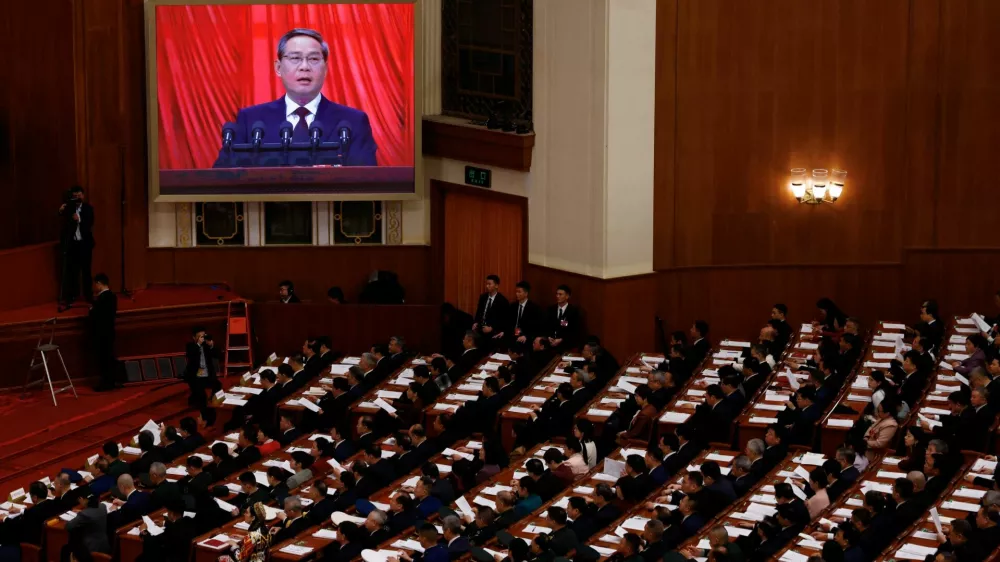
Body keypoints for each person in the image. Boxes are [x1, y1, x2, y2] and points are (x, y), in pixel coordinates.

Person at [214, 28, 377, 168]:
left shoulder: (353, 122)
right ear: (278, 67)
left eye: (313, 59)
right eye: (295, 58)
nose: (304, 67)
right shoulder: (251, 120)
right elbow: (221, 177)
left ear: (325, 69)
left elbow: (366, 181)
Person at [59, 185, 95, 303]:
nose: (77, 198)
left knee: (86, 271)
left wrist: (79, 219)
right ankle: (72, 296)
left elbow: (89, 223)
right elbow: (61, 217)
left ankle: (88, 295)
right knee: (72, 271)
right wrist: (60, 211)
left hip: (85, 244)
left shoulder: (88, 208)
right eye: (75, 196)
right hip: (73, 245)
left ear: (83, 196)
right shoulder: (69, 208)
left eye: (79, 195)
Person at [90, 273, 118, 391]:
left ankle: (105, 383)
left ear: (99, 283)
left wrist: (91, 309)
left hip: (101, 333)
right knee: (109, 357)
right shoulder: (113, 296)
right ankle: (111, 381)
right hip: (110, 331)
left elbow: (95, 316)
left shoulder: (101, 299)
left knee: (103, 359)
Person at [183, 326, 222, 408]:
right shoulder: (190, 346)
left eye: (203, 336)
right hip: (196, 377)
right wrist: (198, 344)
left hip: (207, 375)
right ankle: (194, 399)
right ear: (194, 337)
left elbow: (217, 355)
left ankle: (212, 398)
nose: (202, 338)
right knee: (202, 400)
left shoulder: (207, 345)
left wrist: (211, 345)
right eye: (200, 336)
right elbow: (190, 354)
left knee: (218, 385)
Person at [473, 274, 510, 341]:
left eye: (489, 284)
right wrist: (476, 322)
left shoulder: (503, 301)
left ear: (496, 286)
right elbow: (479, 312)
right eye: (486, 284)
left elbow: (504, 320)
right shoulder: (483, 297)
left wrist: (492, 328)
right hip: (480, 328)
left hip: (493, 332)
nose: (487, 286)